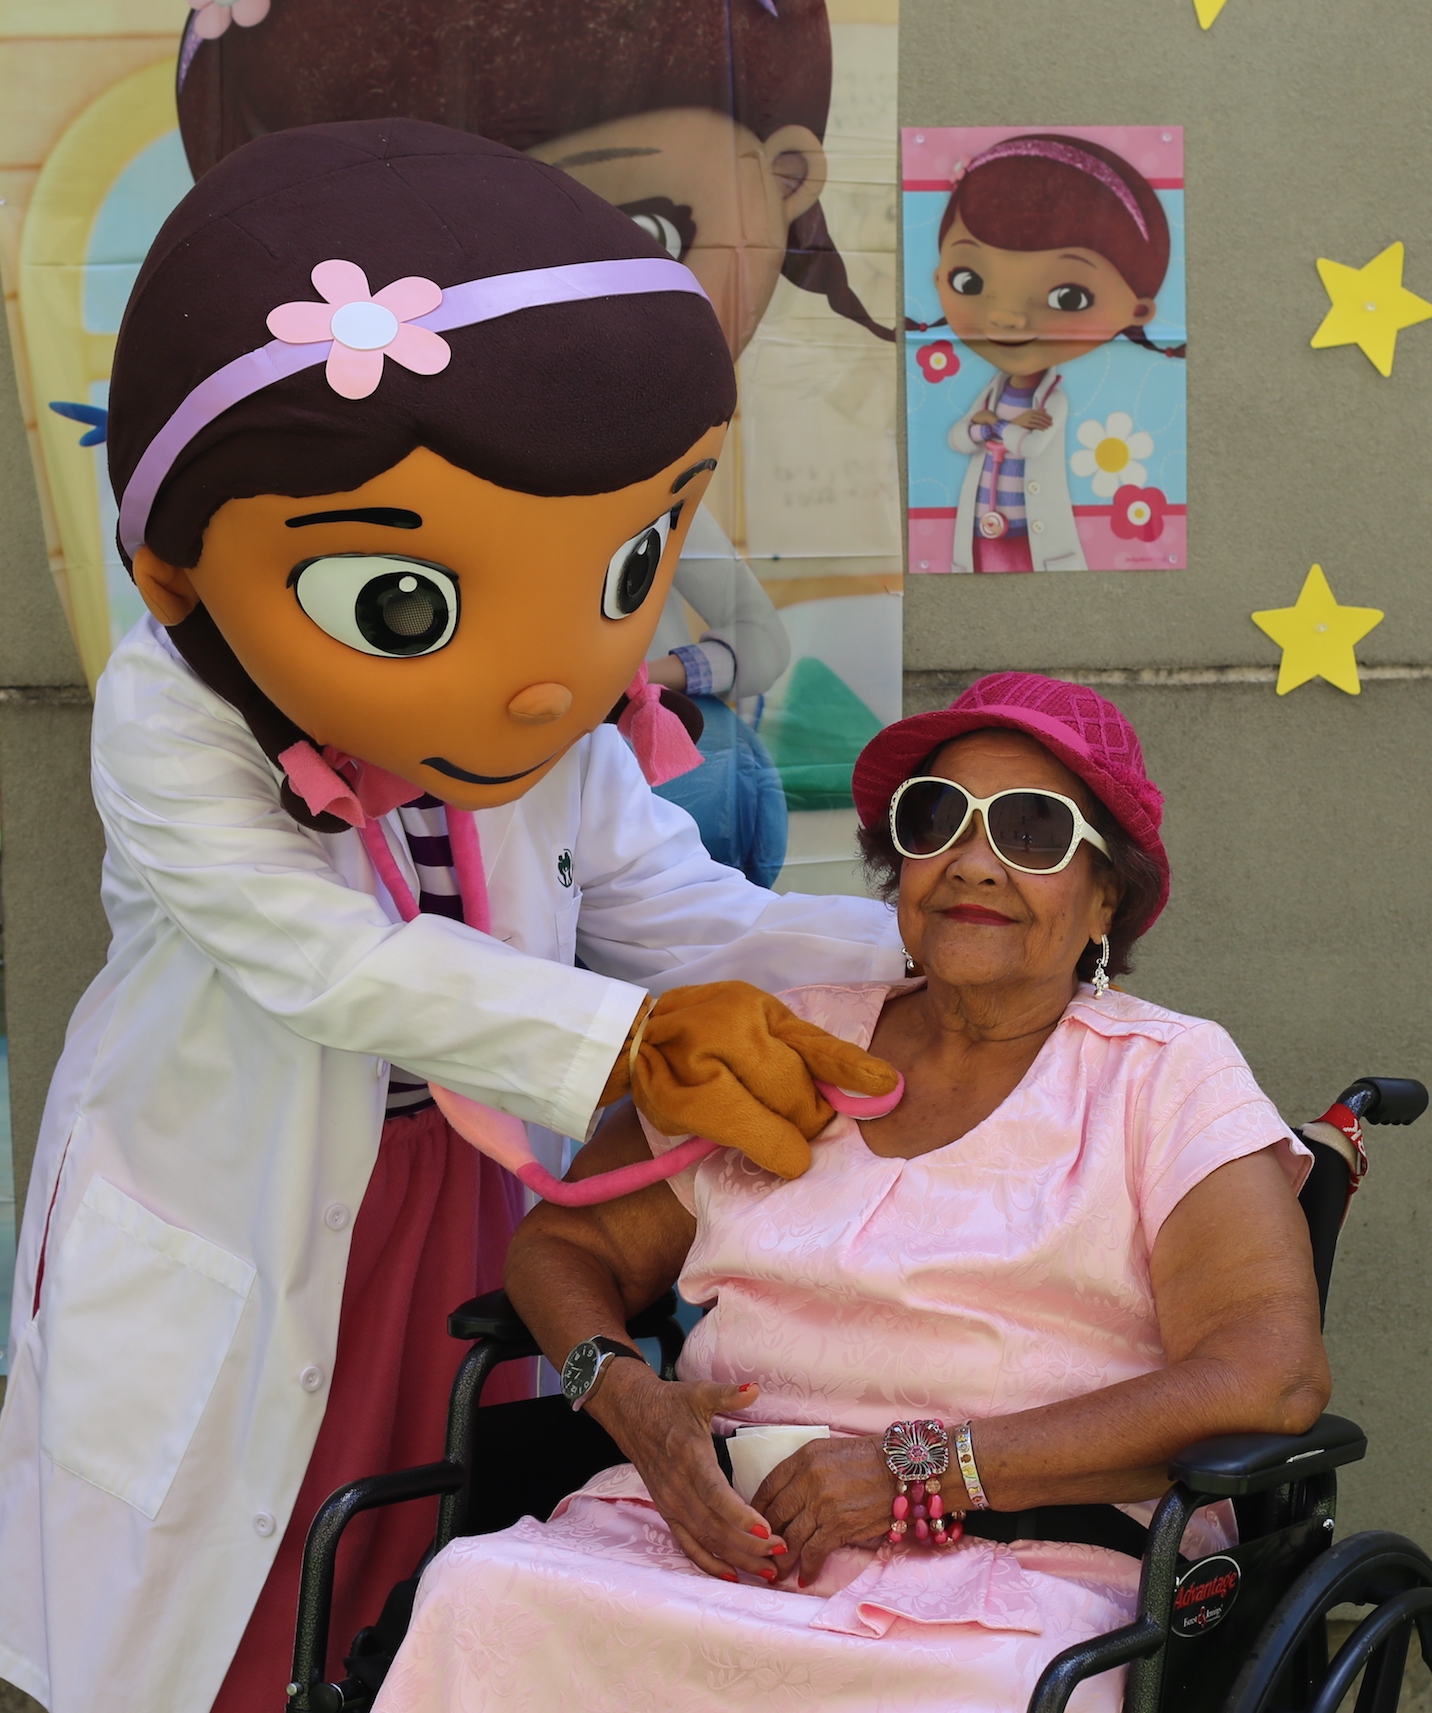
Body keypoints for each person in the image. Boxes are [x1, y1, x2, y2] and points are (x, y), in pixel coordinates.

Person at [0, 120, 906, 1713]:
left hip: (470, 1193)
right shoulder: (172, 713)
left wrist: (927, 966)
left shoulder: (539, 725)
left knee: (440, 1539)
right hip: (244, 1188)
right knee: (240, 1568)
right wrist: (627, 1035)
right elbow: (326, 959)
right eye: (406, 602)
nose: (555, 670)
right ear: (172, 571)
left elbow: (662, 897)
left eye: (620, 569)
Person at [373, 672, 1328, 1713]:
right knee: (481, 1591)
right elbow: (569, 1246)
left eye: (1033, 830)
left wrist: (929, 1468)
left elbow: (1265, 1376)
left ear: (1108, 893)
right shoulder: (796, 1038)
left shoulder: (1165, 1074)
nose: (974, 860)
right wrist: (628, 1398)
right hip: (705, 1533)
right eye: (937, 820)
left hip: (1019, 1567)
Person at [173, 0, 898, 881]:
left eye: (646, 234)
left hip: (644, 775)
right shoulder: (190, 706)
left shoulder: (638, 489)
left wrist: (646, 673)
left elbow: (678, 913)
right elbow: (340, 968)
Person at [932, 135, 1184, 573]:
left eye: (1069, 297)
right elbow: (958, 439)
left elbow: (1030, 445)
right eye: (968, 281)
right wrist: (990, 424)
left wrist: (991, 426)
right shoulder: (991, 394)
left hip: (1031, 535)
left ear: (1136, 311)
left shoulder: (1054, 400)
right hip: (979, 528)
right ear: (938, 278)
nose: (1007, 317)